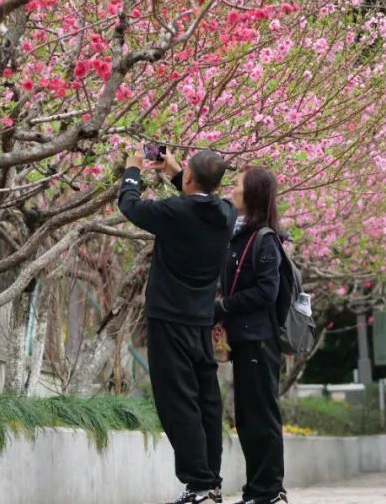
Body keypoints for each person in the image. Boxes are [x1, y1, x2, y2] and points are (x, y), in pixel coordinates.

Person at [118, 147, 237, 504]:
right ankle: (210, 482)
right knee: (205, 402)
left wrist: (132, 170)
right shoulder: (226, 212)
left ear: (188, 178)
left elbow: (131, 205)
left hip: (169, 319)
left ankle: (199, 483)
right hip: (201, 320)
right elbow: (198, 201)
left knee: (177, 402)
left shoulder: (173, 211)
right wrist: (176, 172)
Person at [215, 166, 288, 504]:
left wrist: (224, 306)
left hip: (259, 339)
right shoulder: (237, 234)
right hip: (243, 339)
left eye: (238, 185)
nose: (232, 189)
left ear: (252, 194)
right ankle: (256, 489)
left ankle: (270, 491)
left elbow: (266, 293)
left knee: (262, 416)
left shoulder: (265, 240)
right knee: (246, 417)